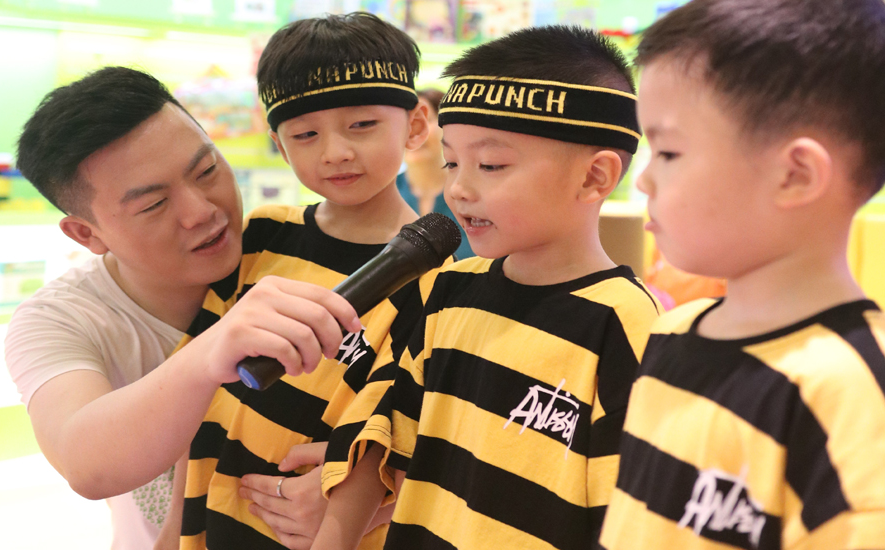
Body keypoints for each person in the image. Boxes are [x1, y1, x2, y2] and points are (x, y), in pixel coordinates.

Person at [311, 25, 662, 550]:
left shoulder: (625, 324)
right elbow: (383, 433)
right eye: (451, 162)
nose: (458, 188)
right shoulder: (447, 289)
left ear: (594, 177)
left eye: (491, 165)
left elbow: (629, 518)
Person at [5, 66, 363, 550]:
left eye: (207, 171)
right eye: (153, 204)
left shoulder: (298, 251)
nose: (202, 211)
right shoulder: (61, 320)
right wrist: (212, 350)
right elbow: (85, 465)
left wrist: (367, 494)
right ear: (86, 233)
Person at [597, 1, 885, 549]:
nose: (644, 181)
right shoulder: (671, 332)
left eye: (668, 152)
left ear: (795, 175)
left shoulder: (852, 395)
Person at [176, 12, 450, 550]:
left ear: (416, 125)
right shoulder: (262, 237)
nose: (336, 152)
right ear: (281, 146)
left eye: (362, 125)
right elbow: (197, 389)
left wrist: (376, 504)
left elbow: (429, 441)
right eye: (306, 134)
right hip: (214, 521)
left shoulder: (441, 284)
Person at [397, 88, 474, 259]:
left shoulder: (474, 192)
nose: (412, 131)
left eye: (424, 119)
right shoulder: (383, 195)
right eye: (403, 122)